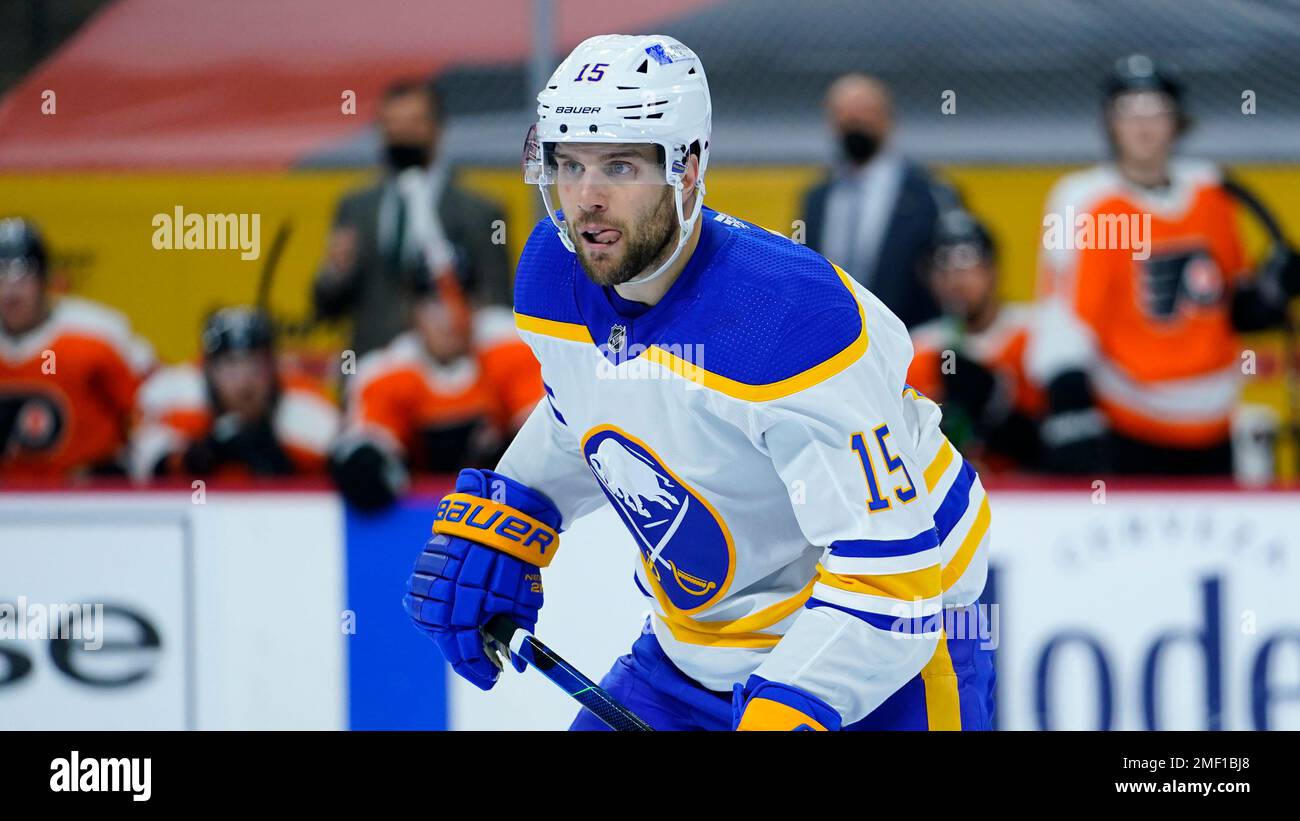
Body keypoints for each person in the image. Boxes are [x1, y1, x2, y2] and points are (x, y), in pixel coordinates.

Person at [402, 35, 994, 731]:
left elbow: (894, 576)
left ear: (686, 169)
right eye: (569, 163)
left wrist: (783, 714)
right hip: (691, 656)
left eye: (618, 164)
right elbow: (587, 415)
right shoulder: (553, 277)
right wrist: (518, 507)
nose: (586, 199)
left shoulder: (789, 321)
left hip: (890, 654)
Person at [1028, 55, 1299, 475]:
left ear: (1177, 121)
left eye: (1156, 110)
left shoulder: (1212, 193)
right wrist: (1070, 410)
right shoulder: (1085, 200)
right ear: (1110, 122)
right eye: (1129, 111)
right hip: (1129, 424)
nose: (1144, 124)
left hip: (1214, 423)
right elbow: (1064, 316)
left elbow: (1231, 309)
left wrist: (1272, 290)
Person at [312, 77, 512, 359]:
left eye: (414, 122)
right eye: (392, 124)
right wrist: (336, 273)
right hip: (372, 367)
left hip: (452, 378)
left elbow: (498, 305)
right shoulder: (355, 207)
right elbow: (326, 310)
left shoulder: (480, 211)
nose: (403, 133)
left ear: (438, 127)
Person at [329, 271, 543, 510]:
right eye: (434, 303)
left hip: (507, 513)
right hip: (417, 522)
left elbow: (548, 440)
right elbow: (364, 463)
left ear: (478, 305)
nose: (449, 317)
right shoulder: (386, 373)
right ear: (411, 312)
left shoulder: (514, 345)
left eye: (459, 299)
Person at [799, 73, 958, 329]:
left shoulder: (929, 194)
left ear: (889, 119)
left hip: (911, 339)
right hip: (836, 344)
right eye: (844, 113)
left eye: (865, 111)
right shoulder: (818, 198)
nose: (855, 121)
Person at [0, 217, 155, 478]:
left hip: (85, 506)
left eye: (22, 278)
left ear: (45, 280)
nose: (10, 293)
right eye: (0, 277)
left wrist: (127, 465)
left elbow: (152, 404)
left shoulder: (97, 332)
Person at [130, 307, 339, 479]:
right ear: (207, 368)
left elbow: (330, 493)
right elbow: (143, 467)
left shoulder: (306, 408)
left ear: (274, 367)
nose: (245, 380)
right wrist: (198, 455)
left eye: (256, 365)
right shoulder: (175, 397)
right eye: (230, 364)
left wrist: (280, 462)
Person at [908, 210, 1044, 472]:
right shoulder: (918, 349)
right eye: (943, 267)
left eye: (967, 264)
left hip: (1027, 494)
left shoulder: (1033, 334)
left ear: (992, 270)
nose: (956, 280)